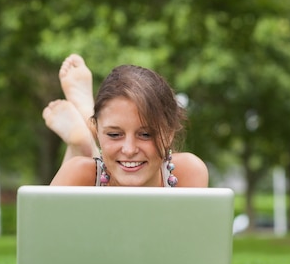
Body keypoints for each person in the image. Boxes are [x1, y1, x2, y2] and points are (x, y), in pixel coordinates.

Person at [42, 54, 208, 187]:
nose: (129, 150)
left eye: (145, 134)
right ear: (99, 133)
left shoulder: (188, 172)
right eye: (114, 134)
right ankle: (86, 129)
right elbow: (41, 227)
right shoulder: (78, 173)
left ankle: (88, 118)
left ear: (169, 133)